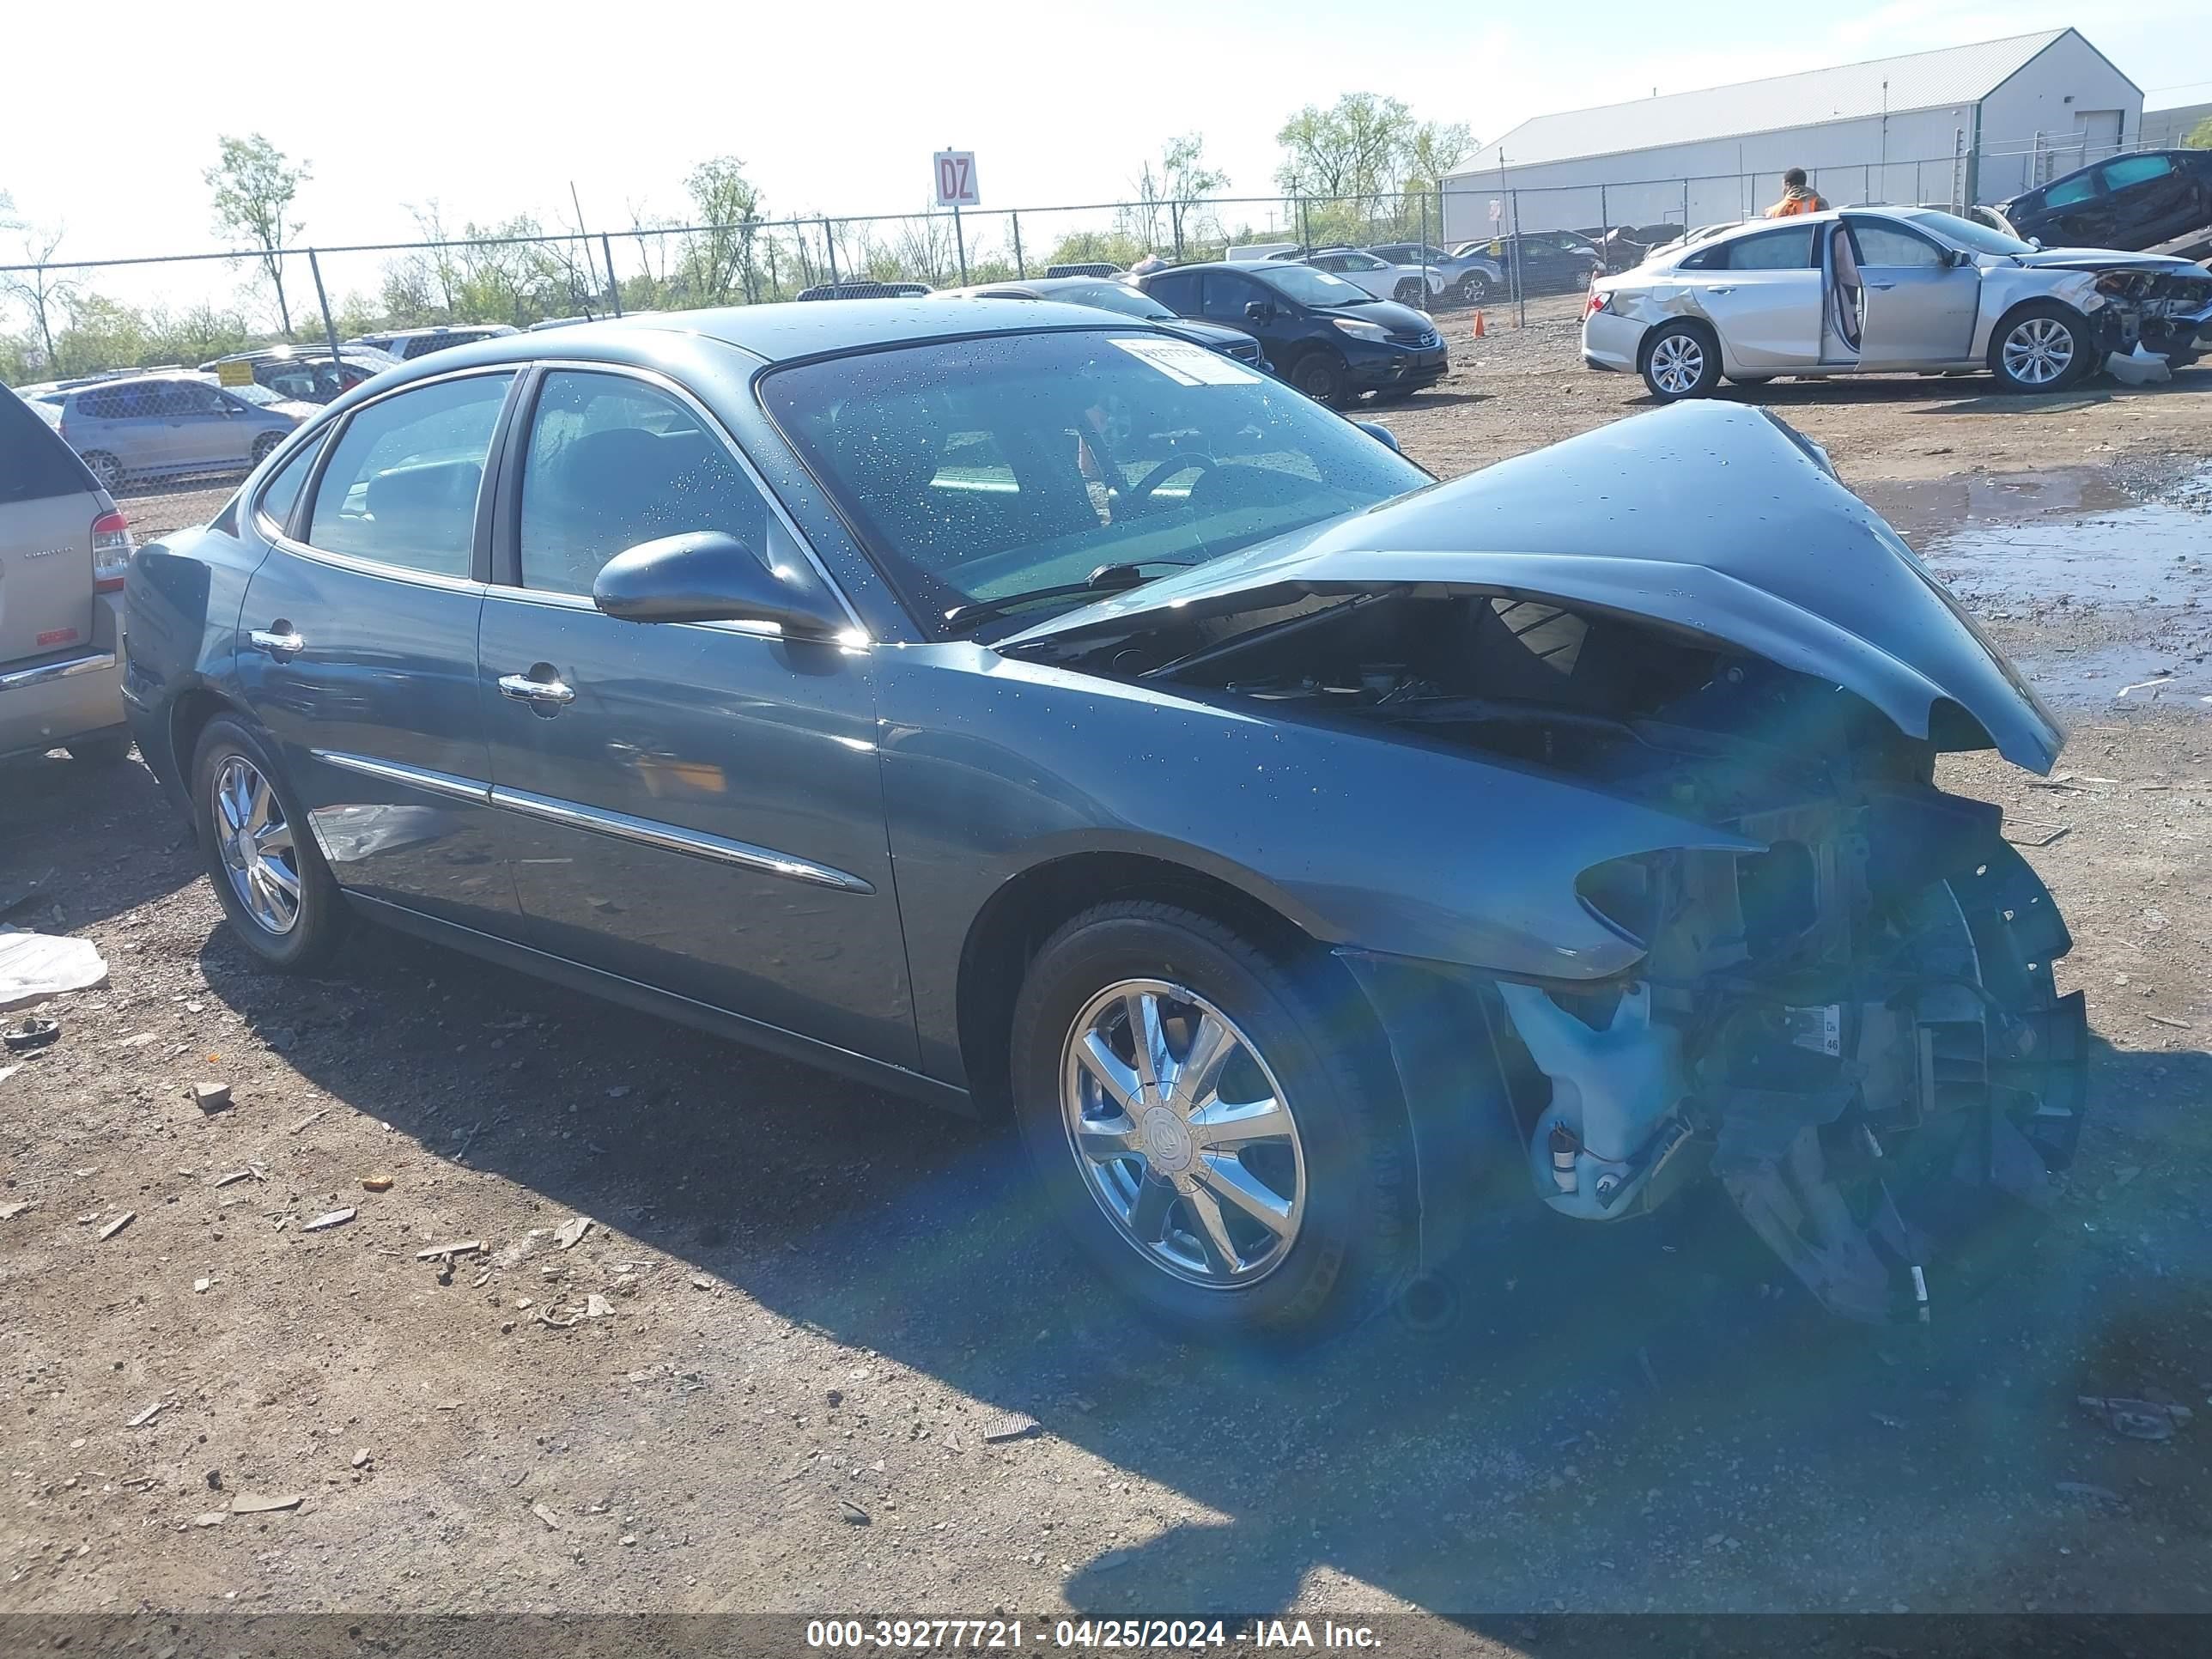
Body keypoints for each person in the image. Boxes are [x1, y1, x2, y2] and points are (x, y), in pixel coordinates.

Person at [1765, 168, 1830, 217]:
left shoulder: (1774, 211)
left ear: (1788, 185)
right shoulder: (1820, 204)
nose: (1782, 190)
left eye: (1783, 186)